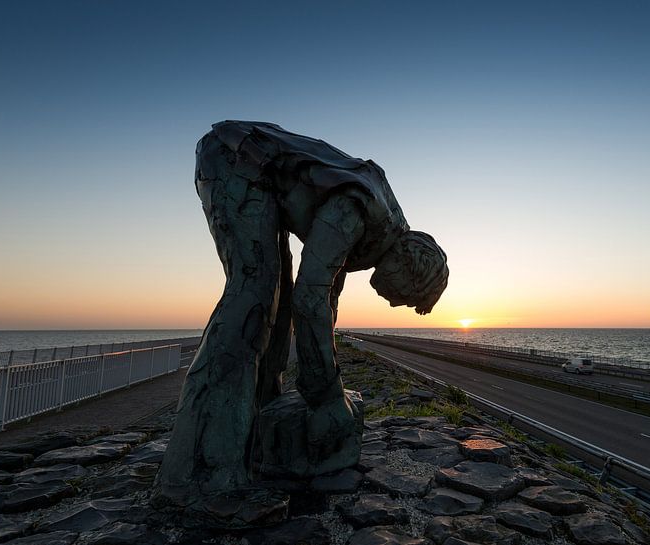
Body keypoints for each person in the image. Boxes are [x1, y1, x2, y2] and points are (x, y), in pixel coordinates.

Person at [158, 121, 448, 497]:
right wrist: (327, 395)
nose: (395, 303)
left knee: (275, 313)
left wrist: (326, 388)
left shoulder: (371, 235)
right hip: (237, 159)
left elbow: (325, 302)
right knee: (253, 299)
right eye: (406, 297)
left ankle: (253, 434)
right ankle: (198, 479)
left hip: (258, 174)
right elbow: (310, 300)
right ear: (409, 266)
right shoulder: (359, 211)